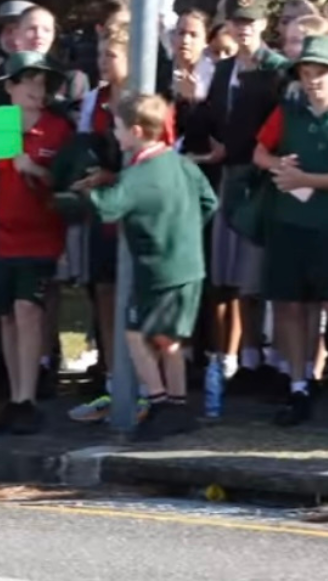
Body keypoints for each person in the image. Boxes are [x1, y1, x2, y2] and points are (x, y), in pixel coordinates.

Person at [253, 35, 328, 429]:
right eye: (307, 72)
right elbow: (259, 152)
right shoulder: (288, 112)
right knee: (289, 305)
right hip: (287, 224)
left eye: (320, 72)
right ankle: (298, 385)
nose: (313, 80)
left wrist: (307, 179)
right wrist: (279, 167)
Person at [82, 93, 217, 440]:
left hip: (159, 269)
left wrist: (85, 192)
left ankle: (160, 402)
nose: (115, 133)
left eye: (118, 127)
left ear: (137, 131)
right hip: (188, 264)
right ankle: (176, 404)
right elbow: (208, 201)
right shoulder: (183, 163)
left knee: (135, 334)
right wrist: (184, 231)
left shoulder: (138, 175)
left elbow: (107, 210)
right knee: (168, 339)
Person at [0, 52, 74, 436]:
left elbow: (65, 182)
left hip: (41, 236)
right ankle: (16, 398)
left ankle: (29, 397)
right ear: (10, 87)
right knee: (8, 317)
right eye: (27, 81)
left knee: (28, 310)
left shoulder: (58, 128)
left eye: (41, 82)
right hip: (1, 236)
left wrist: (33, 168)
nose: (36, 89)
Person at [201, 0, 288, 391]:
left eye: (251, 21)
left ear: (264, 24)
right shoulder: (222, 69)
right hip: (229, 179)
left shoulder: (278, 69)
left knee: (260, 276)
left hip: (263, 181)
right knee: (232, 276)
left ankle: (273, 360)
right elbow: (213, 121)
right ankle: (247, 359)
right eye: (237, 21)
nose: (243, 28)